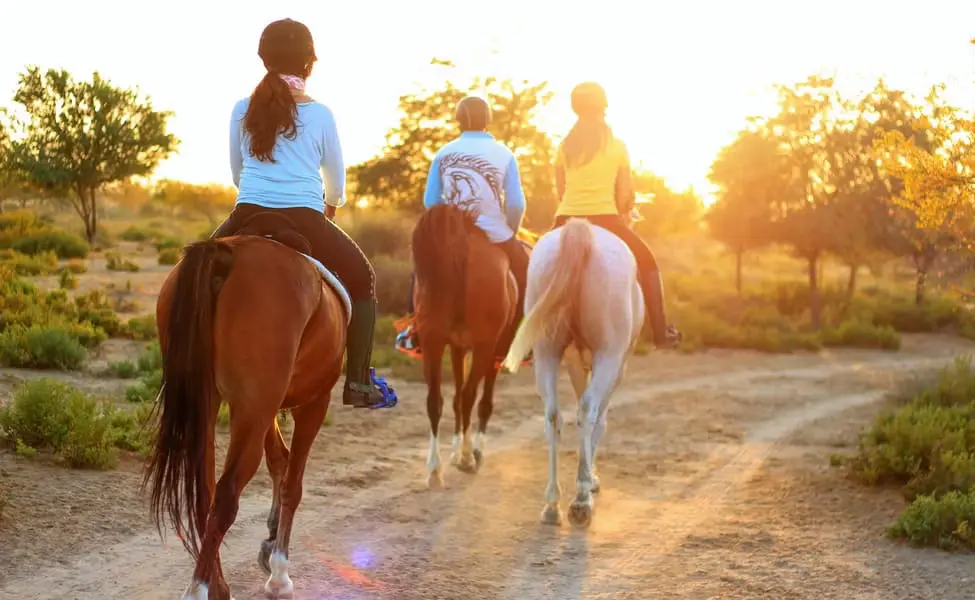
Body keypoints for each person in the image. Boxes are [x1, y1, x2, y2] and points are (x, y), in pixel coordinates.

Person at [211, 18, 396, 408]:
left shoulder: (241, 109)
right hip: (307, 218)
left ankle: (180, 368)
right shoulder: (322, 115)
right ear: (309, 64)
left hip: (246, 213)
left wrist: (260, 193)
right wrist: (332, 205)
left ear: (264, 60)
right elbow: (336, 181)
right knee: (363, 280)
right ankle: (359, 383)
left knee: (191, 278)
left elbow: (235, 171)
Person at [395, 96, 529, 362]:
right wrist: (508, 231)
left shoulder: (444, 153)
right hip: (494, 233)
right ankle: (519, 340)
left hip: (452, 238)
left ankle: (415, 331)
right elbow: (515, 203)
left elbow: (431, 202)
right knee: (525, 271)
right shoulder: (504, 154)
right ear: (488, 120)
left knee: (421, 274)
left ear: (458, 121)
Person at [552, 82, 681, 349]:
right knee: (648, 262)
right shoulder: (617, 146)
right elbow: (625, 195)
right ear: (603, 108)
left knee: (532, 266)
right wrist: (625, 212)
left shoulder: (564, 147)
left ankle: (525, 337)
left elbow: (561, 190)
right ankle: (661, 333)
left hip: (565, 219)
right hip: (605, 219)